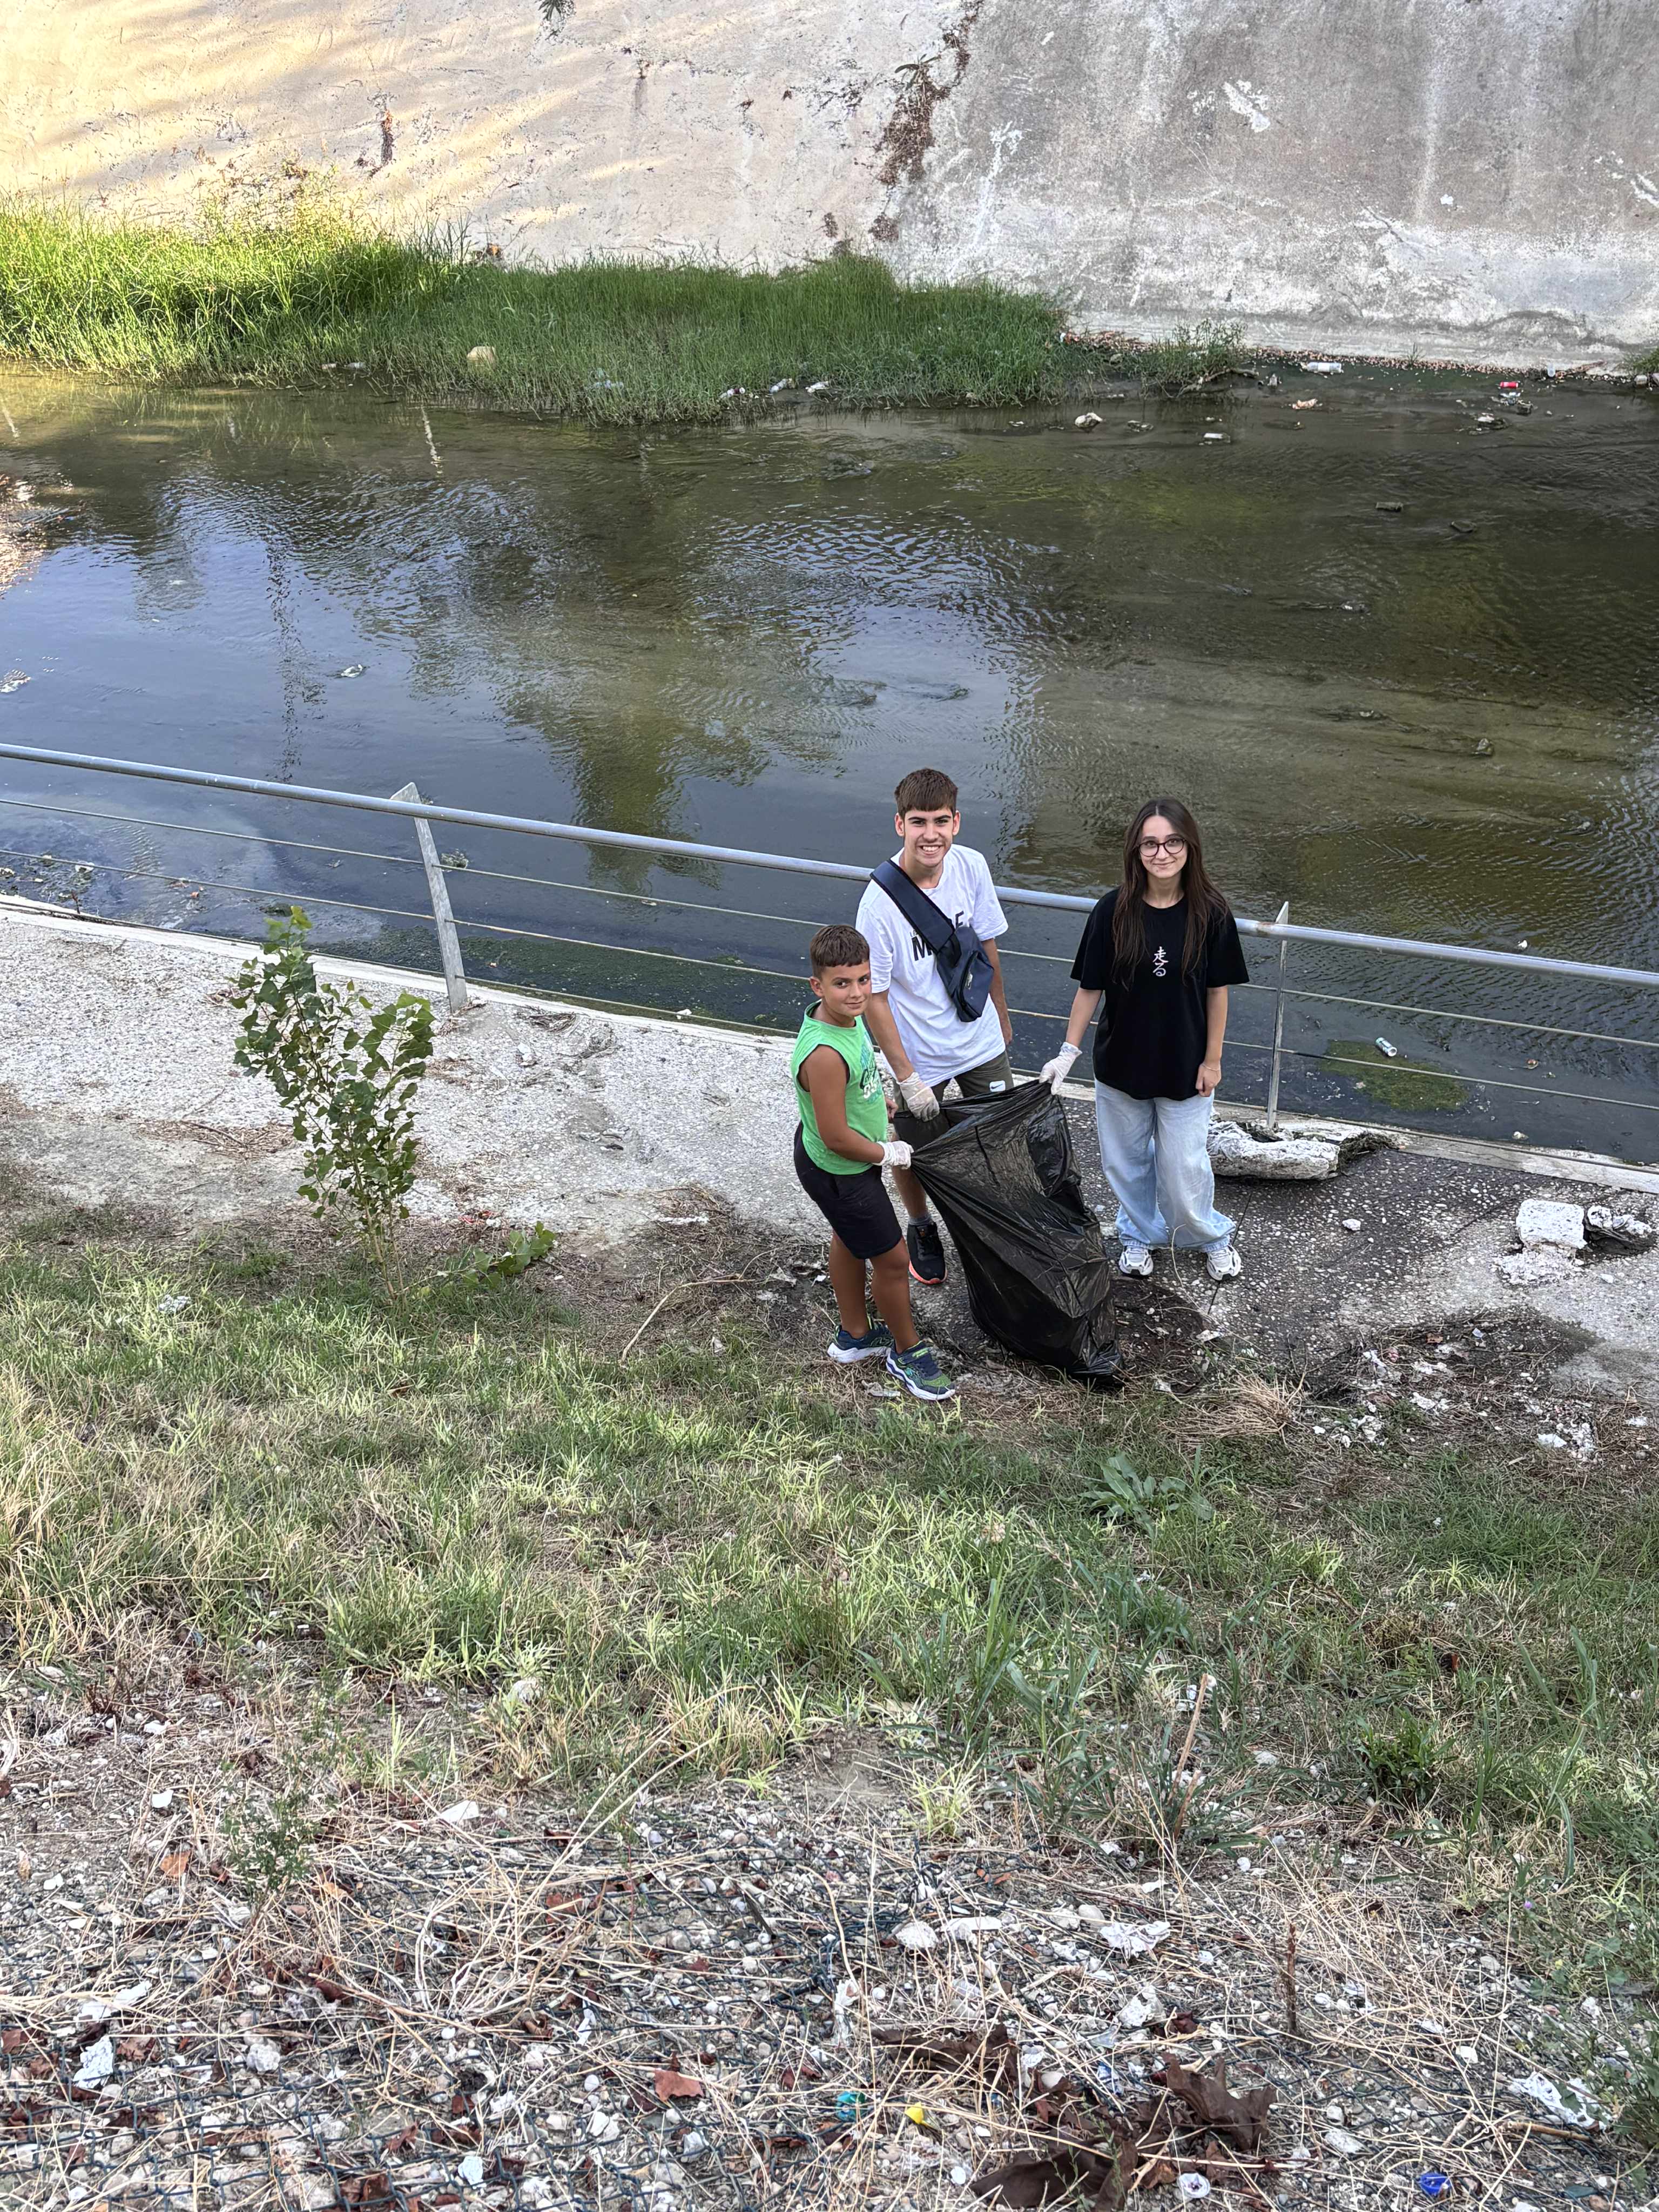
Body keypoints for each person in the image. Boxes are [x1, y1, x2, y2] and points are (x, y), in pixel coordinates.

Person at [1040, 799, 1248, 1282]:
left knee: (1183, 1167)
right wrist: (1067, 1053)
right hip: (1121, 1064)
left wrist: (1213, 1060)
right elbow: (1089, 988)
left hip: (1186, 1064)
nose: (1162, 853)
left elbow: (1218, 993)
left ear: (1189, 847)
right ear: (1136, 850)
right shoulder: (1112, 910)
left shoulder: (1212, 913)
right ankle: (1138, 1233)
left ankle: (1209, 1234)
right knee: (1126, 1165)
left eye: (1173, 842)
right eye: (1151, 843)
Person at [854, 767, 1013, 1287]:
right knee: (911, 1151)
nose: (931, 834)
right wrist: (906, 1077)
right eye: (918, 822)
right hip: (919, 1056)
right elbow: (874, 997)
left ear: (957, 822)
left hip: (979, 1039)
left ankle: (991, 1226)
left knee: (998, 1139)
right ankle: (921, 1225)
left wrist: (1003, 1022)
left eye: (940, 821)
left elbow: (987, 947)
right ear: (899, 824)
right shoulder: (878, 906)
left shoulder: (971, 867)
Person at [791, 922, 957, 1401]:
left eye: (863, 980)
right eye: (842, 984)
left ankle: (855, 1336)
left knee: (849, 1238)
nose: (857, 993)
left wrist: (877, 1100)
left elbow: (857, 1078)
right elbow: (835, 1136)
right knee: (894, 1260)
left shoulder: (848, 1020)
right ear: (817, 986)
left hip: (840, 1165)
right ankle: (907, 1354)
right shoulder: (823, 1053)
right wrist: (890, 1152)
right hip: (840, 1170)